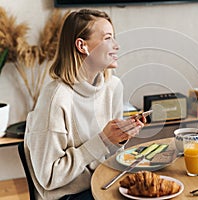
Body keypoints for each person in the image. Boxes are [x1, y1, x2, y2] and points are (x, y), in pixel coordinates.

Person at [24, 9, 144, 200]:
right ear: (82, 46)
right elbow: (49, 177)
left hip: (103, 182)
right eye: (107, 38)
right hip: (69, 195)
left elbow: (110, 157)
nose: (116, 45)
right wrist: (103, 139)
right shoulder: (56, 99)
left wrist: (119, 137)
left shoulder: (113, 87)